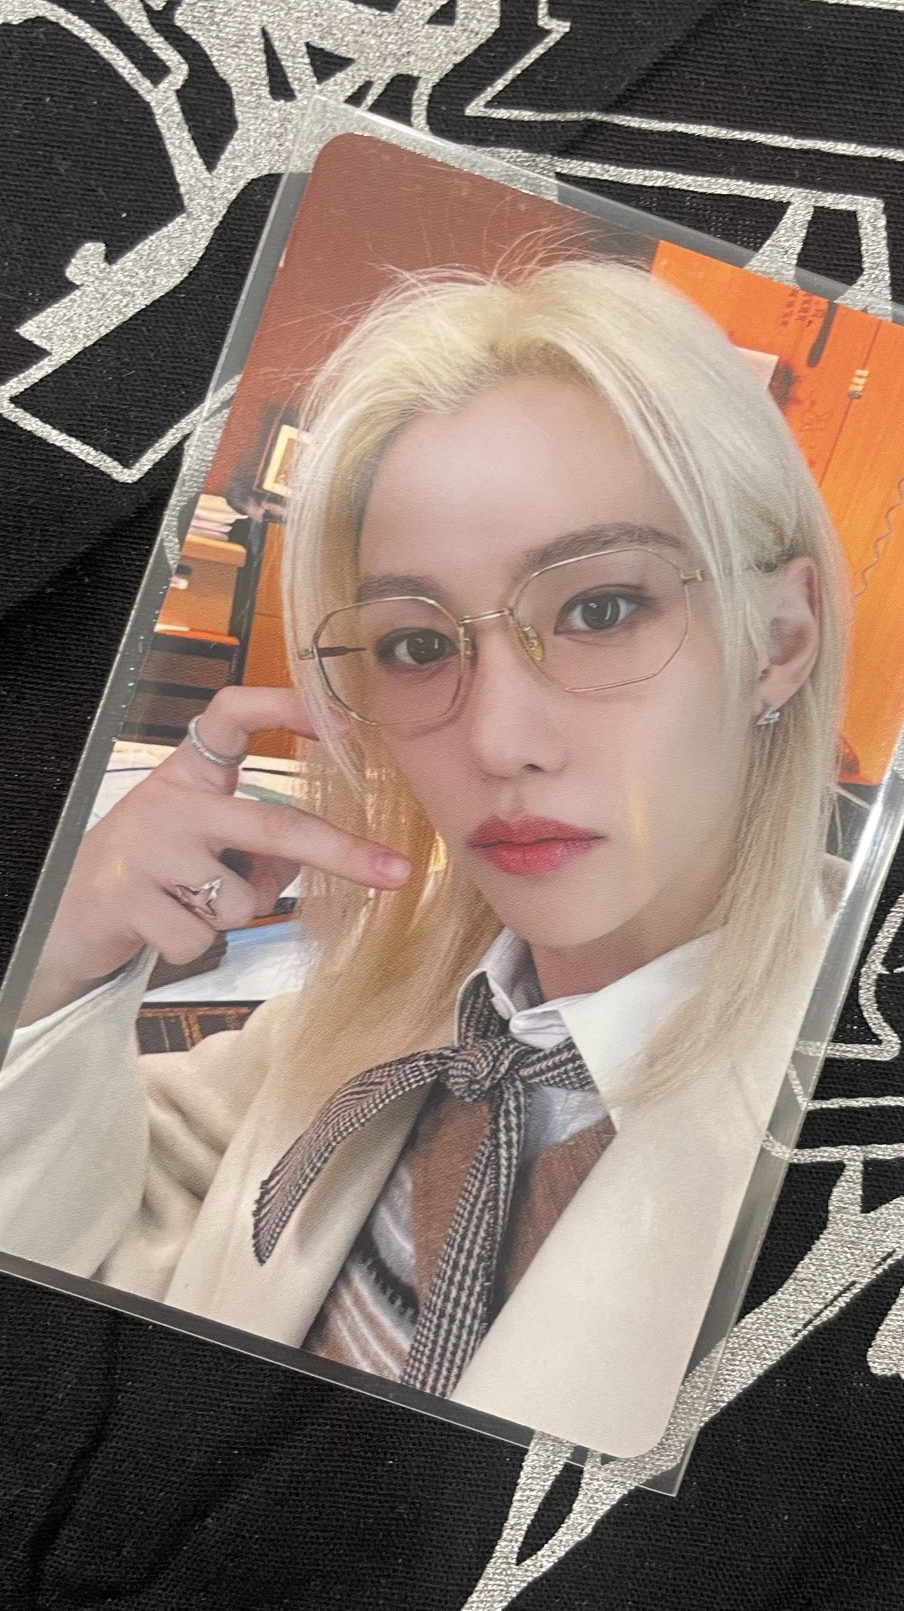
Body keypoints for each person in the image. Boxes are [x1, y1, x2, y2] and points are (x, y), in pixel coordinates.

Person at [0, 260, 849, 1457]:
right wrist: (58, 959)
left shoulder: (847, 1141)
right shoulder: (373, 1006)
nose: (497, 741)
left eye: (601, 609)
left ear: (780, 638)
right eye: (413, 644)